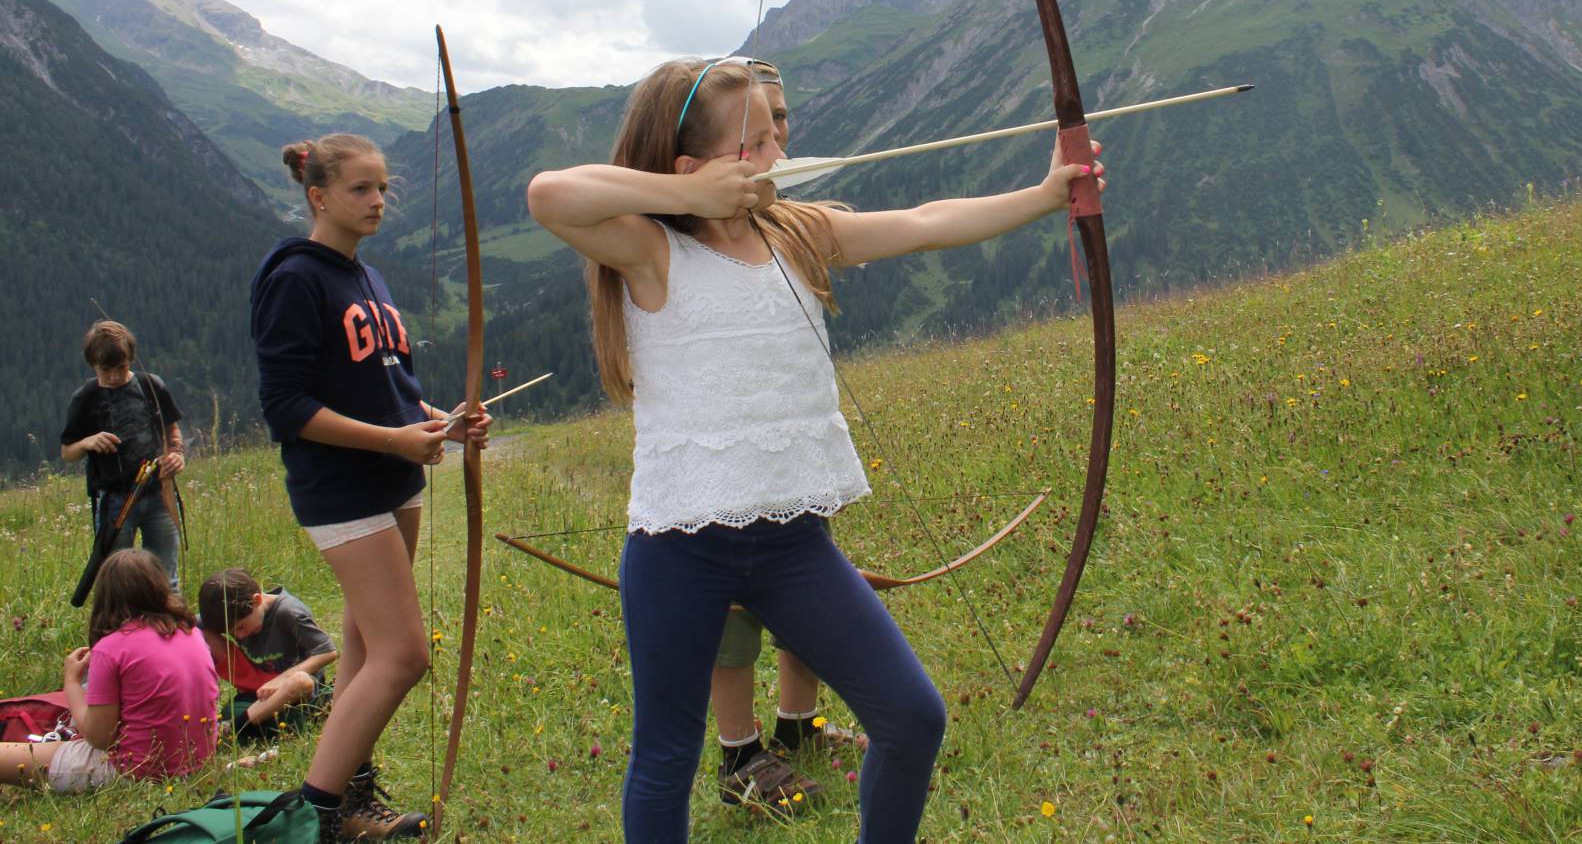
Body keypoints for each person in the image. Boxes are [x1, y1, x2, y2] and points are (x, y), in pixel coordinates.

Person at [526, 56, 1104, 843]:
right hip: (679, 548)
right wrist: (686, 198)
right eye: (754, 145)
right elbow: (549, 194)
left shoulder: (798, 233)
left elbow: (925, 222)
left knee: (912, 716)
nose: (778, 155)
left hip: (792, 547)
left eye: (777, 134)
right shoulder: (651, 250)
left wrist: (1044, 195)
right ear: (692, 168)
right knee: (665, 755)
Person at [251, 134, 490, 842]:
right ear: (318, 196)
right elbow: (287, 407)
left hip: (394, 479)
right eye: (360, 189)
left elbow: (388, 389)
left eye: (383, 187)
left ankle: (351, 792)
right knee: (404, 653)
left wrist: (440, 423)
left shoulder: (369, 278)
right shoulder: (296, 278)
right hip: (341, 487)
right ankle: (319, 815)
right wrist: (394, 440)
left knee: (362, 643)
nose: (378, 200)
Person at [705, 59, 859, 816]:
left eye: (783, 118)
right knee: (732, 613)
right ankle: (739, 753)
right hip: (726, 459)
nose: (779, 136)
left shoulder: (789, 219)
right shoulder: (689, 231)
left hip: (792, 452)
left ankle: (800, 726)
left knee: (807, 590)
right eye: (761, 124)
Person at [0, 548, 218, 791]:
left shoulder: (111, 647)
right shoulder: (191, 632)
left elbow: (100, 738)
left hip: (136, 771)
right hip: (196, 763)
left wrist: (71, 682)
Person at [59, 320, 188, 590]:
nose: (114, 377)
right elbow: (67, 452)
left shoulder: (150, 385)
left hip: (160, 494)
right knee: (118, 584)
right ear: (93, 365)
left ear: (131, 359)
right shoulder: (85, 398)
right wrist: (88, 442)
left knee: (168, 581)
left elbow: (172, 431)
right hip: (115, 502)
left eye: (121, 367)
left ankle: (168, 618)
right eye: (105, 370)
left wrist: (176, 454)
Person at [199, 567, 339, 744]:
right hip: (259, 692)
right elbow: (192, 622)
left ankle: (236, 727)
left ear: (256, 600)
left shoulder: (289, 612)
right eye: (232, 632)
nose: (239, 636)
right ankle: (251, 722)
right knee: (229, 711)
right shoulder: (235, 615)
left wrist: (282, 679)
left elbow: (328, 651)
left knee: (300, 681)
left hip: (295, 696)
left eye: (240, 627)